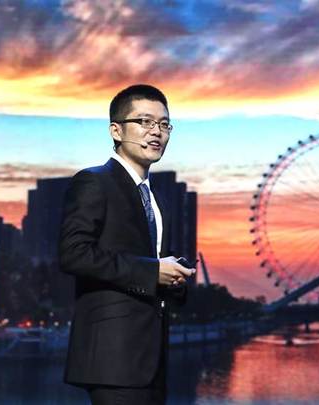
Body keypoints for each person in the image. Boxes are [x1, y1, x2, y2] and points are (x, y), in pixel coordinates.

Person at [58, 84, 194, 404]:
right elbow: (73, 253)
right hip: (111, 355)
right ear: (116, 131)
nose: (156, 132)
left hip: (153, 358)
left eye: (164, 124)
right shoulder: (93, 181)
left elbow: (153, 266)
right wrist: (151, 272)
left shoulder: (156, 198)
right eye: (145, 122)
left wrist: (174, 279)